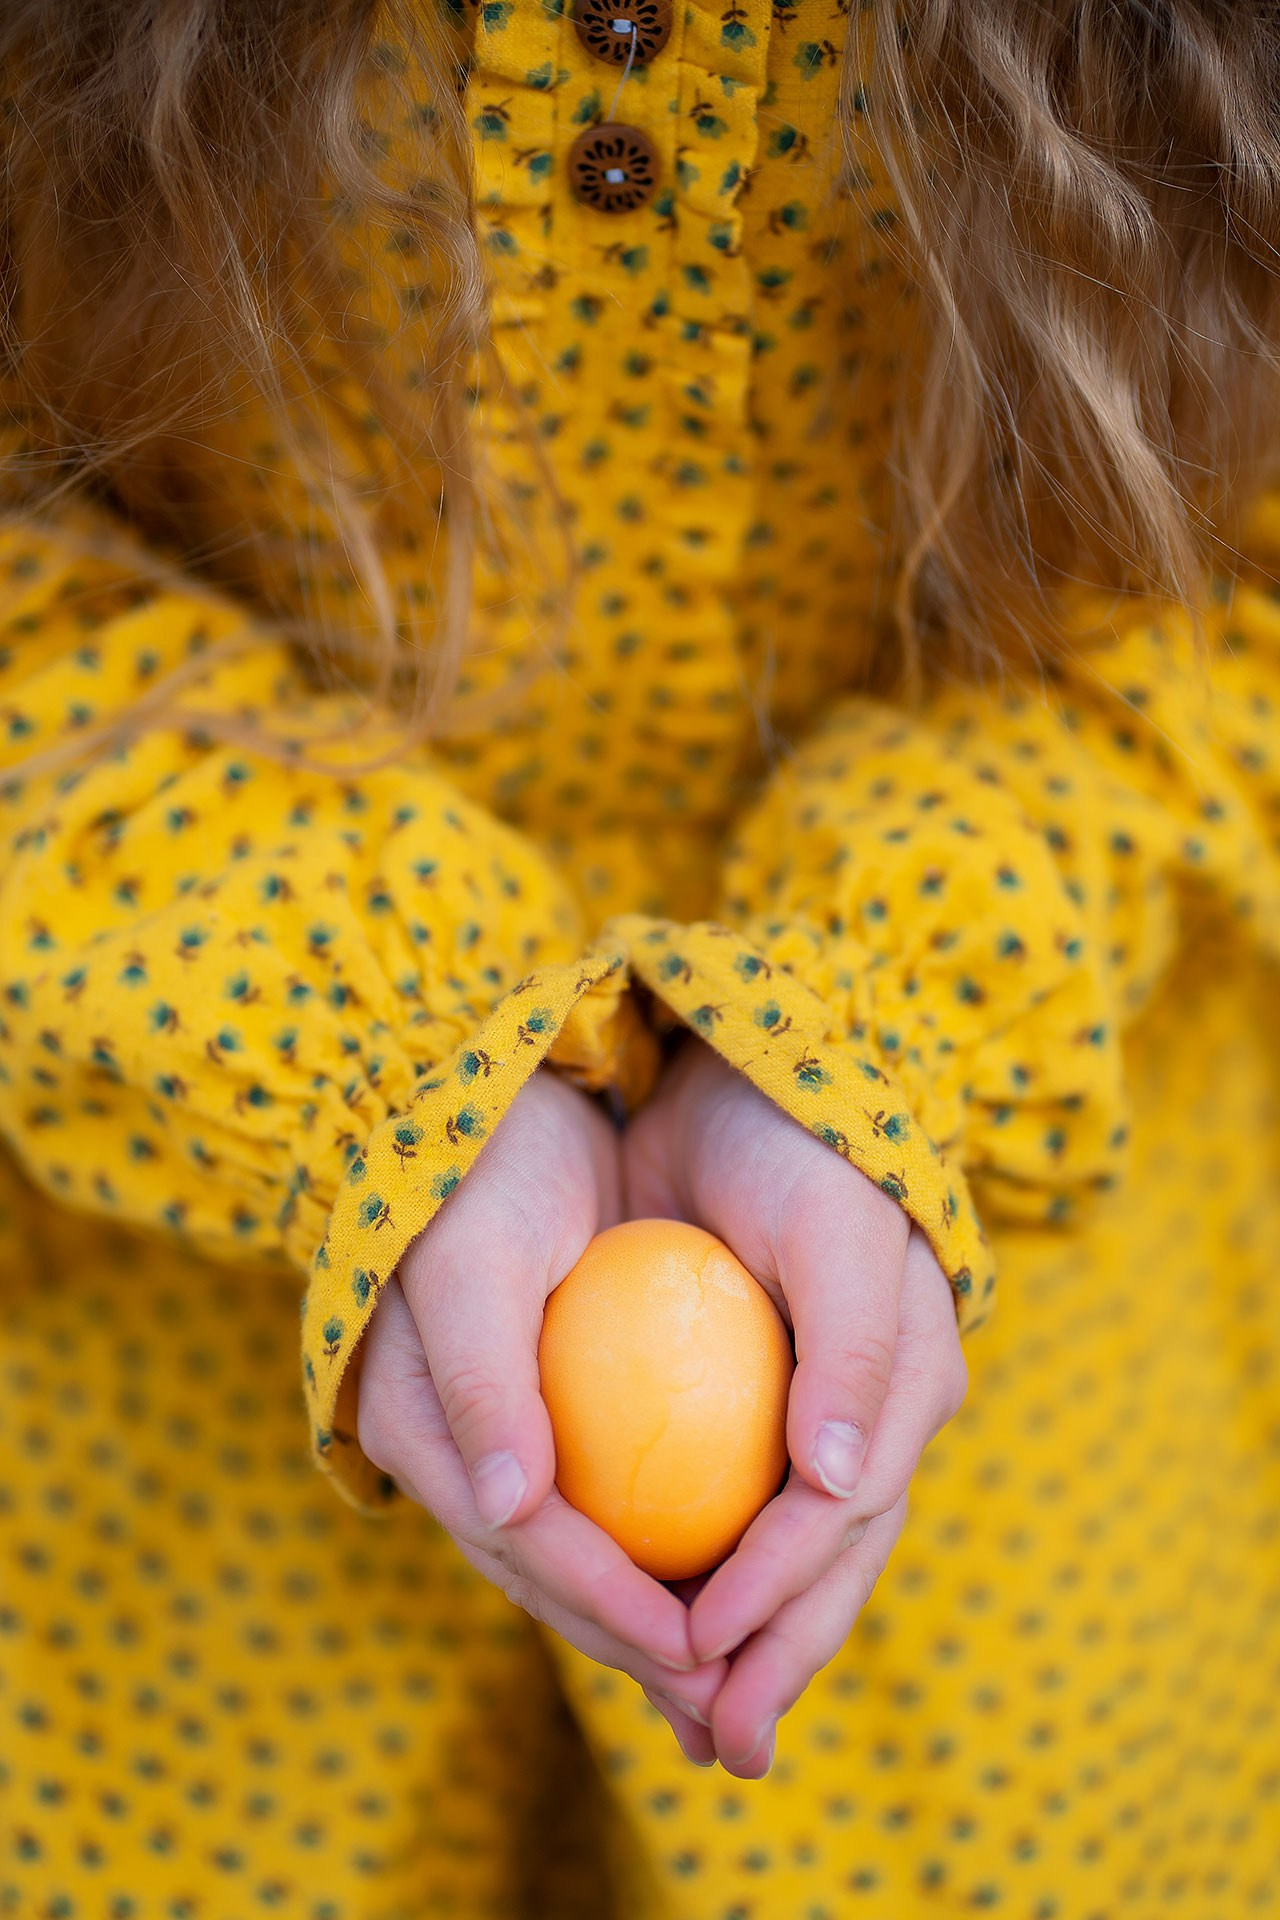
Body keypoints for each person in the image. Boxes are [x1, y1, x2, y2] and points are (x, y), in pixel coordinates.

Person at [2, 0, 1278, 1914]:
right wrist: (402, 1047)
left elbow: (1234, 579)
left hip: (1037, 1363)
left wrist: (875, 1027)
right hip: (157, 1333)